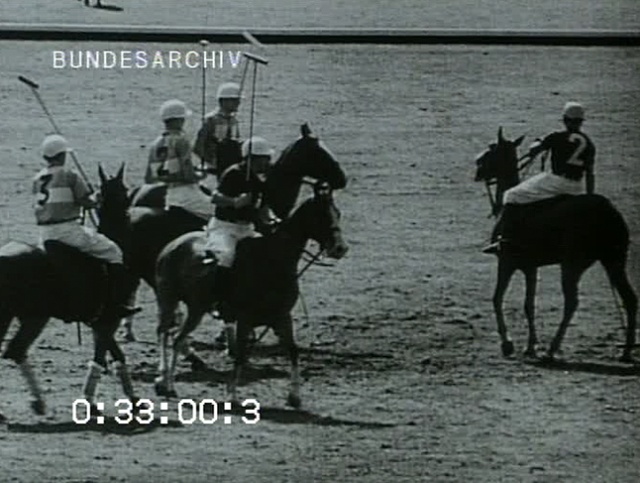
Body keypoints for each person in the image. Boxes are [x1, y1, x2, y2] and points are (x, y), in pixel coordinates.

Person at [33, 134, 140, 318]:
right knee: (113, 251)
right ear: (63, 156)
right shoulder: (69, 175)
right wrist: (96, 200)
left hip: (43, 233)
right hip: (67, 231)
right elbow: (84, 201)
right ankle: (116, 304)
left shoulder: (37, 178)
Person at [484, 101, 596, 253]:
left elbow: (534, 149)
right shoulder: (589, 143)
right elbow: (590, 174)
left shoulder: (556, 137)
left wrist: (539, 141)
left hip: (556, 181)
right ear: (581, 121)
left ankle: (502, 240)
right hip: (576, 186)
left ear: (564, 119)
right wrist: (589, 197)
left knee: (511, 194)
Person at [205, 136, 277, 320]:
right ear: (251, 158)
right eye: (263, 159)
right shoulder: (234, 173)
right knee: (227, 256)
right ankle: (217, 300)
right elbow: (215, 197)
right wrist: (235, 202)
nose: (267, 162)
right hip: (224, 227)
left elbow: (264, 207)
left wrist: (272, 219)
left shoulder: (261, 180)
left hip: (246, 229)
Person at [150, 99, 213, 222]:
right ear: (178, 120)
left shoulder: (156, 143)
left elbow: (159, 175)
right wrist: (200, 175)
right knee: (223, 212)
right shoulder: (181, 141)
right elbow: (188, 175)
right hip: (188, 196)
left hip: (170, 196)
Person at [193, 82, 243, 178]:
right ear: (223, 101)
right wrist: (208, 163)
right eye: (234, 100)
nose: (238, 103)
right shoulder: (210, 120)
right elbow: (198, 146)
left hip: (230, 168)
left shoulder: (234, 121)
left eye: (238, 100)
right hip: (212, 168)